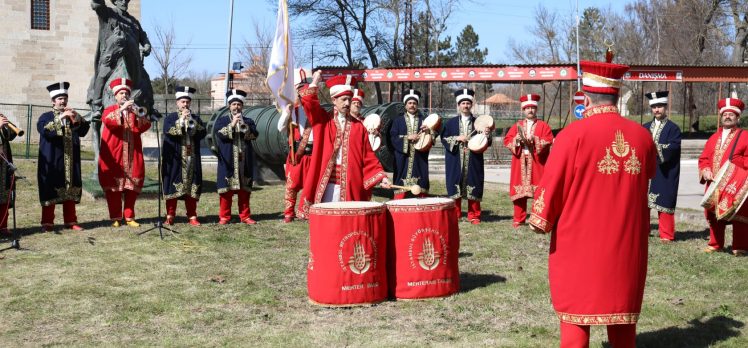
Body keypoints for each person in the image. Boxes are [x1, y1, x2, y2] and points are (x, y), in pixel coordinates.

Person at [528, 60, 656, 347]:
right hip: (627, 245)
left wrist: (540, 218)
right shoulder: (643, 137)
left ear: (585, 98)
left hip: (579, 244)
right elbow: (648, 175)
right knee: (622, 316)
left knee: (575, 315)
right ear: (616, 95)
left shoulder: (572, 135)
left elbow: (552, 187)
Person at [299, 71, 390, 215]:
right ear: (334, 100)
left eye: (349, 99)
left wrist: (381, 176)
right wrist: (315, 82)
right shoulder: (323, 121)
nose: (347, 103)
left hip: (350, 185)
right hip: (327, 183)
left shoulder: (359, 127)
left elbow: (368, 156)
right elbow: (309, 103)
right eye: (343, 99)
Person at [37, 82, 90, 232]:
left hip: (71, 161)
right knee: (50, 188)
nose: (63, 101)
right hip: (53, 160)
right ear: (53, 101)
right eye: (60, 98)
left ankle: (71, 220)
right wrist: (60, 119)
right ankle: (47, 222)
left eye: (65, 98)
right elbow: (45, 130)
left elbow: (84, 130)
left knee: (71, 189)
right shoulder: (45, 116)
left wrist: (76, 117)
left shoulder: (71, 114)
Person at [698, 97, 748, 256]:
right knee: (713, 215)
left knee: (739, 214)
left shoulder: (745, 136)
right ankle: (715, 243)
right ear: (721, 116)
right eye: (725, 114)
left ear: (738, 117)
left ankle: (739, 246)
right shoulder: (713, 138)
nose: (727, 116)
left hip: (737, 183)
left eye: (731, 114)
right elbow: (704, 159)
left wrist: (739, 172)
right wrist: (705, 170)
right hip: (715, 183)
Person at [87, 0, 154, 119]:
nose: (123, 2)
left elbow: (143, 37)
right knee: (102, 75)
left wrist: (147, 46)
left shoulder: (134, 21)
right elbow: (98, 5)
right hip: (112, 58)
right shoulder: (108, 14)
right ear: (115, 1)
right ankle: (96, 106)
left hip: (133, 58)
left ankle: (151, 108)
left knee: (145, 78)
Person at [99, 78, 151, 227]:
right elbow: (107, 120)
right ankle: (115, 217)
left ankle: (129, 217)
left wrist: (139, 113)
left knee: (132, 187)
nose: (124, 95)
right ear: (115, 96)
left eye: (126, 93)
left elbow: (145, 125)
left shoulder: (134, 110)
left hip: (133, 154)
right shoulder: (110, 110)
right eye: (121, 93)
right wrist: (121, 110)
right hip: (115, 155)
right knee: (114, 188)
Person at [440, 89, 492, 224]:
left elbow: (488, 142)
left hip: (473, 159)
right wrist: (457, 138)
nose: (465, 106)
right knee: (454, 184)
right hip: (455, 159)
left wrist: (487, 134)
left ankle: (474, 215)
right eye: (463, 103)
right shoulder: (450, 123)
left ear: (471, 105)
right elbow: (444, 138)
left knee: (474, 184)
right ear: (458, 105)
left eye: (468, 103)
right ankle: (455, 213)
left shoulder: (479, 122)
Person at [502, 94, 553, 228]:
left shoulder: (544, 126)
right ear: (523, 110)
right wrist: (517, 140)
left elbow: (548, 140)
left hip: (537, 162)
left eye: (532, 108)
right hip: (519, 161)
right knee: (519, 193)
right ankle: (519, 219)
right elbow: (507, 140)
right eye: (527, 108)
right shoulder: (516, 125)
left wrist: (535, 140)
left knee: (539, 191)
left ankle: (537, 218)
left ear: (536, 110)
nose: (530, 110)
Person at [161, 86, 207, 226]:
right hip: (175, 158)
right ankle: (170, 215)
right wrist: (181, 121)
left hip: (192, 157)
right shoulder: (170, 118)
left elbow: (202, 134)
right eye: (182, 102)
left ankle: (192, 215)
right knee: (172, 185)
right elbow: (169, 132)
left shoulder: (196, 118)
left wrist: (191, 121)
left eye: (187, 102)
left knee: (193, 185)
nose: (185, 104)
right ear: (177, 102)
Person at [215, 89, 259, 225]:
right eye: (233, 104)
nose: (236, 107)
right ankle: (224, 217)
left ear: (242, 106)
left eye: (239, 104)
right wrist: (233, 124)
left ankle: (245, 216)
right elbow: (220, 134)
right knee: (226, 191)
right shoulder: (222, 121)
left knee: (244, 190)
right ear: (229, 106)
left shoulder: (249, 121)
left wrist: (244, 126)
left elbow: (254, 135)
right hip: (228, 160)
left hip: (244, 160)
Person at [643, 91, 681, 243]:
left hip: (665, 171)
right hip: (646, 171)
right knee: (642, 203)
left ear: (665, 107)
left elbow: (673, 147)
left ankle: (666, 234)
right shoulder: (645, 127)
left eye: (659, 106)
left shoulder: (673, 129)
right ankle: (642, 230)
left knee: (665, 201)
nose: (656, 110)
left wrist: (654, 148)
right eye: (654, 107)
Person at [278, 68, 313, 223]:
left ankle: (305, 211)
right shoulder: (292, 109)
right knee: (292, 186)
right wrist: (286, 113)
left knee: (311, 185)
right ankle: (288, 213)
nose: (303, 92)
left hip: (313, 154)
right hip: (296, 154)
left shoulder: (316, 109)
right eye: (300, 89)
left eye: (305, 88)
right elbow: (280, 128)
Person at [389, 89, 431, 199]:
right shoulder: (397, 121)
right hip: (403, 157)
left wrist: (429, 132)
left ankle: (421, 207)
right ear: (405, 104)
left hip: (419, 157)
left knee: (421, 182)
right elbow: (393, 137)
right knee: (400, 184)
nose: (412, 105)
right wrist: (408, 137)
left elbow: (432, 137)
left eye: (414, 103)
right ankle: (397, 207)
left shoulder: (424, 120)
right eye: (410, 103)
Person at [0, 112, 17, 237]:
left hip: (4, 164)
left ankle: (3, 226)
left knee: (4, 193)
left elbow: (10, 136)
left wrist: (6, 126)